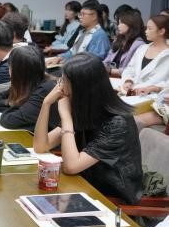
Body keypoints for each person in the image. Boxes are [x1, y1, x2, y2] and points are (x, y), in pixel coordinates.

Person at [34, 53, 143, 204]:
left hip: (111, 198)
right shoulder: (84, 108)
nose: (60, 87)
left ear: (82, 88)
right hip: (83, 185)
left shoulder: (118, 123)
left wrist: (66, 118)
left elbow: (71, 167)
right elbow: (40, 146)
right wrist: (46, 103)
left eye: (64, 81)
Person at [0, 46, 59, 131]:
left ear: (15, 71)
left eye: (10, 67)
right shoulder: (27, 83)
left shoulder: (45, 90)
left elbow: (9, 120)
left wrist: (15, 105)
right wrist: (17, 106)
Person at [121, 15, 169, 127]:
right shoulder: (142, 48)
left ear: (161, 31)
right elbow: (130, 69)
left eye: (150, 28)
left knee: (128, 122)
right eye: (146, 28)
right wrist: (128, 81)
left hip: (153, 99)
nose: (146, 31)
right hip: (132, 95)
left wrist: (154, 88)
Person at [46, 0, 110, 66]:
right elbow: (72, 51)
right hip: (75, 66)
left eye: (83, 14)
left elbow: (94, 62)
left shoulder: (99, 35)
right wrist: (59, 58)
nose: (80, 17)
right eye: (80, 14)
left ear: (94, 16)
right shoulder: (82, 32)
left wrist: (68, 62)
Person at [102, 10, 146, 77]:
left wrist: (110, 70)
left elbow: (133, 70)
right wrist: (102, 66)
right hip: (110, 75)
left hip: (124, 79)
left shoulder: (139, 44)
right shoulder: (119, 39)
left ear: (131, 24)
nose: (118, 26)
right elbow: (108, 58)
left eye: (121, 23)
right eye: (118, 23)